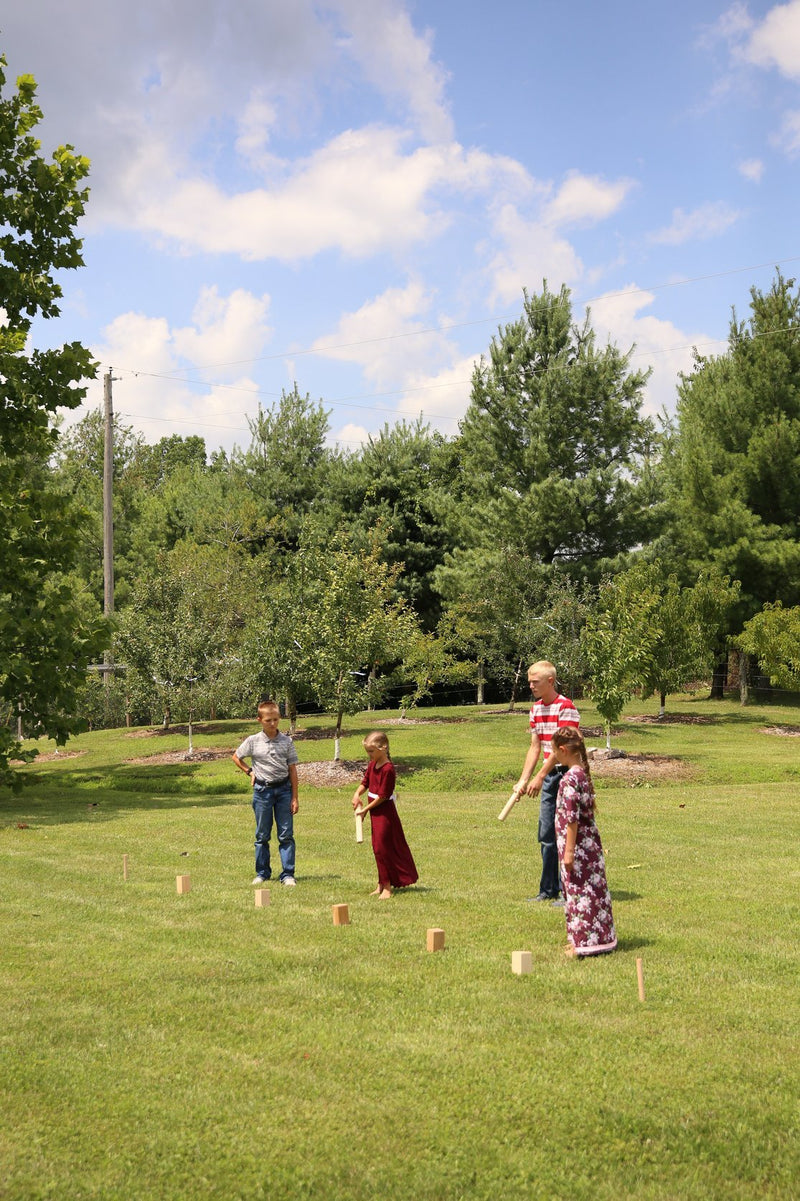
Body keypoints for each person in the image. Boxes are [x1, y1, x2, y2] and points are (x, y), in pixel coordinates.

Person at [514, 660, 580, 903]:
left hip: (566, 774)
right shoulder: (535, 709)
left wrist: (540, 776)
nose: (530, 685)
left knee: (566, 833)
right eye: (529, 681)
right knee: (546, 833)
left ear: (550, 681)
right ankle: (548, 890)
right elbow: (535, 747)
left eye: (535, 681)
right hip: (549, 775)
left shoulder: (566, 707)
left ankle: (568, 890)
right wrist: (523, 779)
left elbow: (561, 748)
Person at [551, 727, 617, 957]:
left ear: (562, 750)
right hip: (590, 847)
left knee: (581, 894)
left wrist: (569, 852)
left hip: (578, 849)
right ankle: (594, 940)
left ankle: (584, 945)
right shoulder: (582, 773)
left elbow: (571, 819)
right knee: (592, 892)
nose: (554, 757)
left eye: (554, 752)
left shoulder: (569, 779)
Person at [232, 700, 299, 887]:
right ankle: (262, 873)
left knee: (286, 834)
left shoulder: (287, 741)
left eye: (276, 719)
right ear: (259, 720)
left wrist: (294, 797)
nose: (273, 723)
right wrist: (249, 771)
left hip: (284, 791)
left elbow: (292, 770)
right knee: (262, 835)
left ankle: (287, 874)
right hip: (262, 792)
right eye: (268, 720)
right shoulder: (253, 741)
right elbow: (236, 757)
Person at [351, 730, 418, 899]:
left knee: (384, 848)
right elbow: (365, 782)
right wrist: (356, 794)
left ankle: (388, 887)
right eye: (367, 751)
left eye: (371, 751)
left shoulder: (388, 769)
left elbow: (383, 796)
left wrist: (365, 809)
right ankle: (381, 884)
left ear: (384, 748)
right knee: (377, 848)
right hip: (374, 811)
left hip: (385, 813)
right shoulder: (372, 764)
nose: (369, 755)